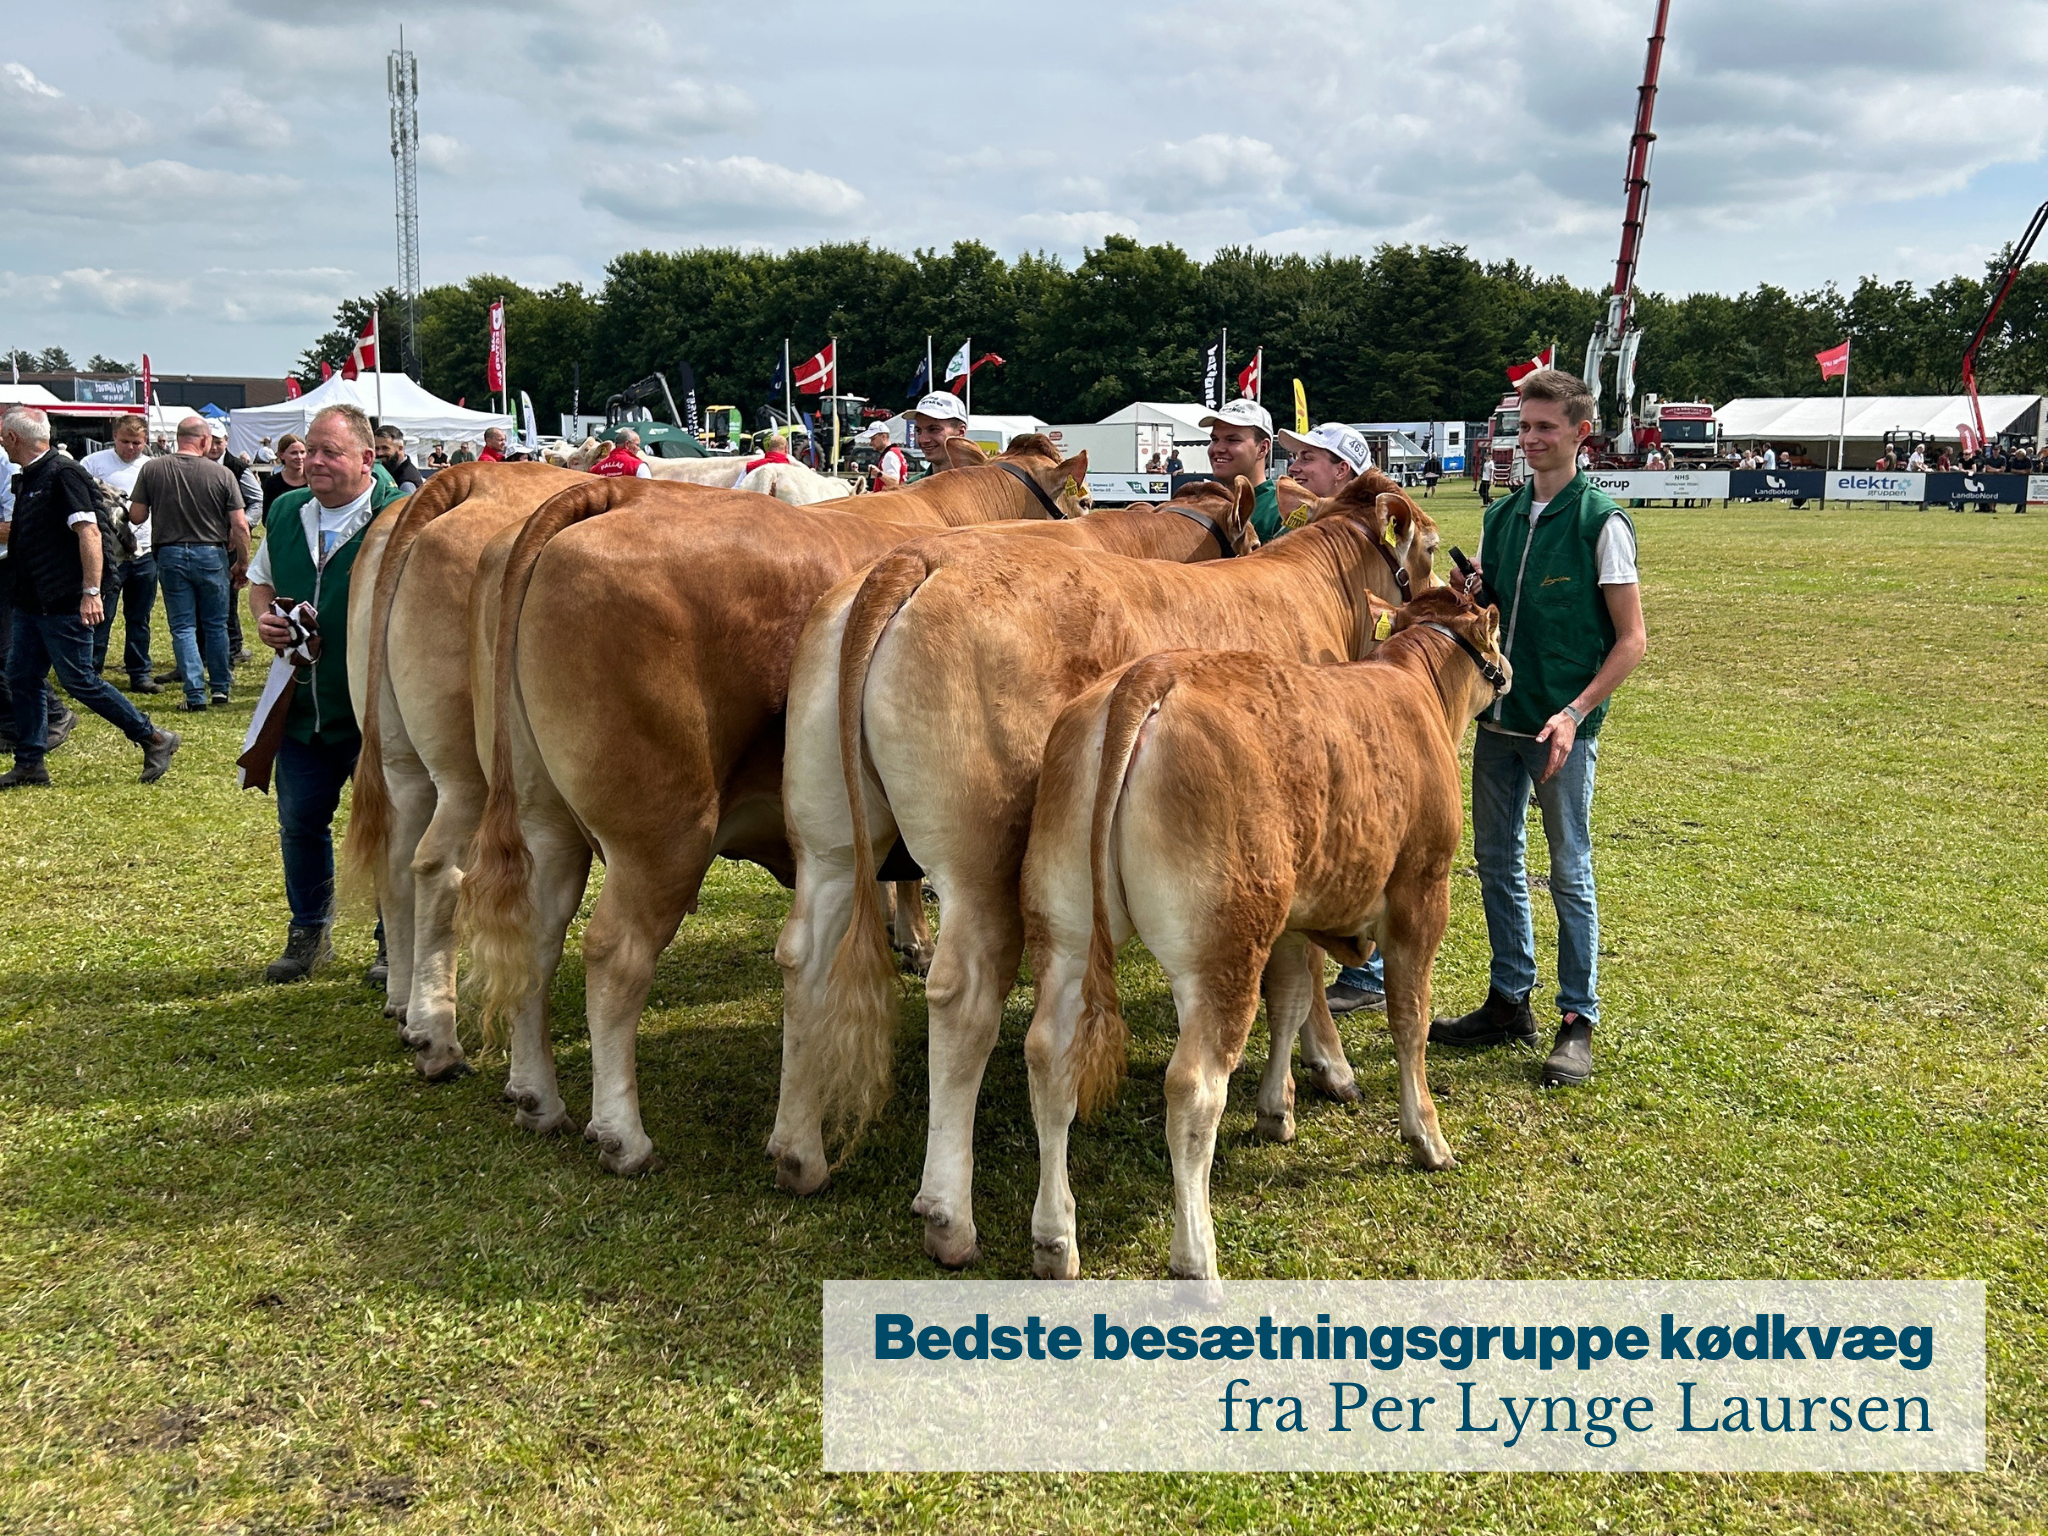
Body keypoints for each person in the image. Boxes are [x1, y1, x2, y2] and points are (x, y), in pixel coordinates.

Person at [1430, 369, 1647, 1088]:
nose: (1530, 440)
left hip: (1561, 730)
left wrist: (1573, 713)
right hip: (1496, 722)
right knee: (1496, 865)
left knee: (1569, 872)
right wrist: (1471, 597)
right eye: (1523, 428)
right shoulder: (1502, 516)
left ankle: (1576, 1019)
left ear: (1581, 433)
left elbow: (1631, 642)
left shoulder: (1601, 522)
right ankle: (1507, 999)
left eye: (1545, 427)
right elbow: (1493, 614)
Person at [246, 404, 412, 982]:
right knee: (300, 822)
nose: (312, 461)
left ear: (367, 459)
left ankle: (393, 940)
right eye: (309, 449)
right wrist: (266, 618)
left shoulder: (401, 517)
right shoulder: (288, 509)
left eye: (329, 452)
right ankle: (307, 933)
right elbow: (261, 579)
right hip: (301, 705)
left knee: (393, 825)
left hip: (377, 710)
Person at [0, 407, 180, 788]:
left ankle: (154, 737)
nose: (1, 441)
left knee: (80, 679)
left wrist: (92, 592)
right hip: (32, 600)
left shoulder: (62, 474)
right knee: (22, 676)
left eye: (3, 435)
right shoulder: (32, 475)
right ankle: (30, 762)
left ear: (14, 438)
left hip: (62, 598)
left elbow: (90, 533)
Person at [131, 415, 247, 711]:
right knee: (216, 625)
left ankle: (195, 694)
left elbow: (137, 516)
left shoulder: (152, 468)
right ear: (205, 441)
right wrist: (243, 563)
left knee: (182, 627)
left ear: (176, 439)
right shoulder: (222, 474)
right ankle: (220, 688)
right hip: (211, 553)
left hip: (169, 553)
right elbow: (240, 525)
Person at [79, 414, 160, 694]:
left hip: (145, 552)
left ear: (145, 441)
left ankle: (139, 673)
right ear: (115, 437)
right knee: (103, 615)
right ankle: (91, 672)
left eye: (137, 442)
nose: (131, 448)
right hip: (108, 554)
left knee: (139, 617)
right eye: (125, 441)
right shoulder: (93, 464)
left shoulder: (152, 467)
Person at [203, 418, 260, 665]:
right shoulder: (195, 463)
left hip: (228, 543)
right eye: (210, 441)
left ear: (226, 441)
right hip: (202, 539)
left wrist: (241, 528)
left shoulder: (238, 468)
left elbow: (257, 500)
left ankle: (234, 646)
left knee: (228, 596)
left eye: (219, 441)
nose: (214, 447)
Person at [1201, 397, 1281, 540]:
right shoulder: (1203, 504)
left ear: (1263, 448)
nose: (1218, 448)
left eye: (1232, 440)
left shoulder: (1280, 509)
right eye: (1214, 439)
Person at [908, 391, 970, 474]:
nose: (923, 440)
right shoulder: (911, 486)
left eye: (933, 429)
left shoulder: (984, 484)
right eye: (918, 430)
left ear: (960, 432)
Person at [262, 433, 309, 511]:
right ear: (281, 455)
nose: (299, 457)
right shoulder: (272, 483)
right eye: (293, 453)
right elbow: (268, 516)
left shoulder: (314, 480)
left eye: (302, 452)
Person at [374, 424, 426, 491]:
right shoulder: (391, 470)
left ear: (400, 448)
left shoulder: (406, 483)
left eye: (385, 448)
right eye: (376, 448)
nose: (379, 453)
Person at [866, 422, 909, 490]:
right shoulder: (895, 452)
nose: (871, 443)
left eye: (873, 439)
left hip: (891, 498)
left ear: (883, 437)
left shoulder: (890, 455)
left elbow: (894, 483)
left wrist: (878, 473)